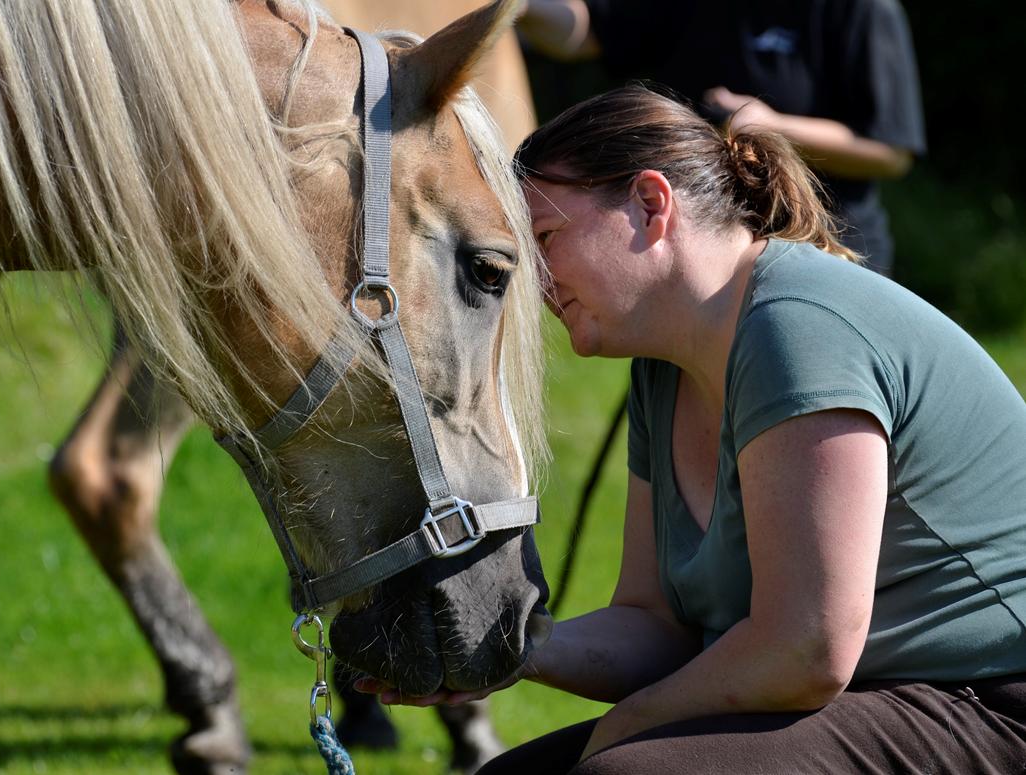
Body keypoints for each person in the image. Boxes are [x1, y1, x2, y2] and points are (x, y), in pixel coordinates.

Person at [357, 83, 1026, 773]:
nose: (536, 281)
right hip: (885, 696)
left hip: (994, 702)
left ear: (652, 205)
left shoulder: (796, 326)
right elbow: (658, 628)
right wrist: (497, 647)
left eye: (548, 238)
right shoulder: (662, 371)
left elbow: (809, 649)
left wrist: (632, 722)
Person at [515, 0, 926, 276]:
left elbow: (889, 151)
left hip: (820, 252)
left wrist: (772, 128)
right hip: (694, 257)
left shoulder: (859, 9)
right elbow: (587, 30)